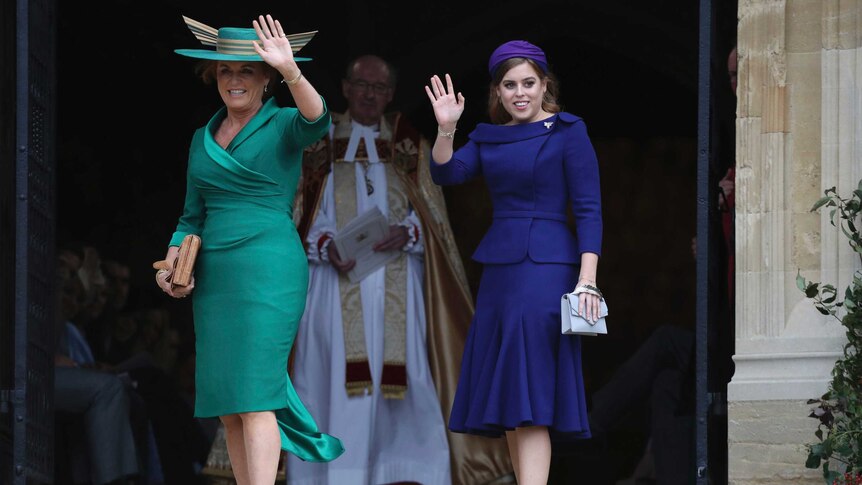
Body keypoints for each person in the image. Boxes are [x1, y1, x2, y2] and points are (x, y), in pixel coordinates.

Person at [288, 54, 512, 485]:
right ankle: (331, 474)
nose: (369, 94)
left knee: (406, 382)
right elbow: (299, 207)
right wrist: (321, 241)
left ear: (390, 95)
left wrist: (409, 231)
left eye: (379, 88)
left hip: (397, 285)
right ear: (345, 88)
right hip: (329, 286)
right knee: (327, 381)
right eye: (361, 85)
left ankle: (406, 473)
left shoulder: (410, 143)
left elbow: (431, 215)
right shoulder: (317, 140)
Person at [155, 14, 344, 484]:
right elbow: (190, 218)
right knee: (230, 405)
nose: (234, 80)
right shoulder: (202, 140)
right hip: (216, 279)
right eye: (225, 71)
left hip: (268, 269)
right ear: (213, 77)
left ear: (266, 80)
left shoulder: (283, 124)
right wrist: (171, 265)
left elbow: (317, 119)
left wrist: (292, 70)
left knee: (257, 395)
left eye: (247, 71)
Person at [424, 40, 604, 485]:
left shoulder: (568, 131)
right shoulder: (488, 137)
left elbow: (588, 210)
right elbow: (447, 173)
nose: (520, 92)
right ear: (498, 92)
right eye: (510, 85)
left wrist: (587, 281)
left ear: (545, 85)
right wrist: (446, 129)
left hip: (547, 271)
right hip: (501, 272)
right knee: (510, 390)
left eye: (528, 82)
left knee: (533, 392)